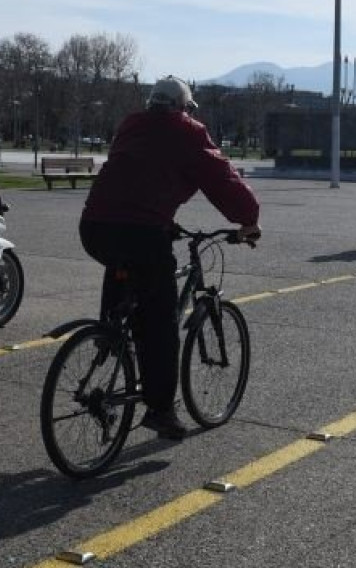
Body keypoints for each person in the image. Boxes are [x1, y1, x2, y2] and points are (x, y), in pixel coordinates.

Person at [80, 76, 261, 440]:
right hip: (140, 231)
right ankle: (161, 411)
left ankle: (110, 330)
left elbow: (136, 180)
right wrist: (249, 219)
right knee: (160, 323)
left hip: (95, 226)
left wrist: (163, 222)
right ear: (183, 107)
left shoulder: (131, 124)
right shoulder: (188, 132)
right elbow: (221, 178)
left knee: (124, 265)